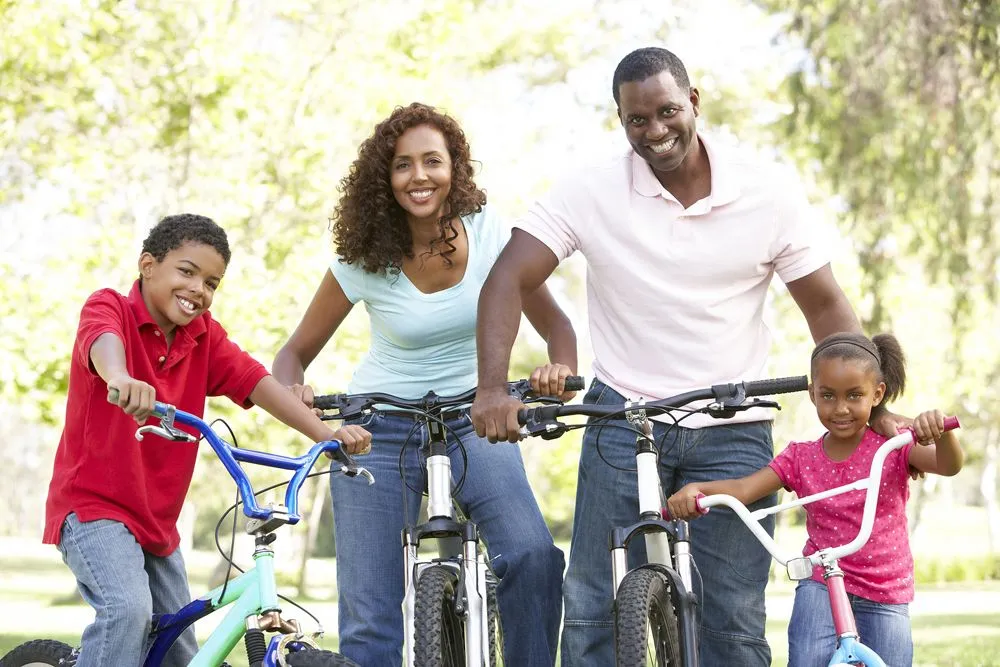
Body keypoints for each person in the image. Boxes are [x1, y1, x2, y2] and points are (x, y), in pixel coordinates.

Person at [470, 47, 906, 666]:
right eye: (636, 121)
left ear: (693, 102)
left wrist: (873, 401)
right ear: (620, 121)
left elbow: (827, 307)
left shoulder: (766, 191)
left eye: (667, 111)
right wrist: (492, 388)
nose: (655, 131)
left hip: (735, 423)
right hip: (622, 419)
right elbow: (507, 276)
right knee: (593, 602)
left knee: (733, 618)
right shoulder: (590, 189)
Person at [271, 102, 577, 667]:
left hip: (476, 417)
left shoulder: (490, 236)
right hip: (377, 427)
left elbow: (557, 326)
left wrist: (558, 368)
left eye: (432, 161)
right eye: (403, 165)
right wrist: (293, 389)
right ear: (383, 180)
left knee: (533, 555)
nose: (419, 176)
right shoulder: (361, 259)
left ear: (454, 168)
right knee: (369, 615)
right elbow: (292, 354)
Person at [43, 214, 371, 667]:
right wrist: (120, 377)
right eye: (187, 272)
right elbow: (102, 342)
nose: (199, 289)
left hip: (157, 522)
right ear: (148, 265)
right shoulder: (110, 307)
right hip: (94, 508)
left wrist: (328, 434)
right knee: (127, 611)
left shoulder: (204, 337)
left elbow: (259, 382)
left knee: (180, 644)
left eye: (212, 282)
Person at [667, 332, 963, 666]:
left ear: (877, 394)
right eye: (828, 396)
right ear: (812, 394)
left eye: (854, 396)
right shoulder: (800, 457)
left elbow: (948, 465)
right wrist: (698, 490)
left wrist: (943, 433)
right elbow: (744, 489)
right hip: (821, 582)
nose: (841, 409)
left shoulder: (891, 446)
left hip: (885, 589)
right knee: (807, 658)